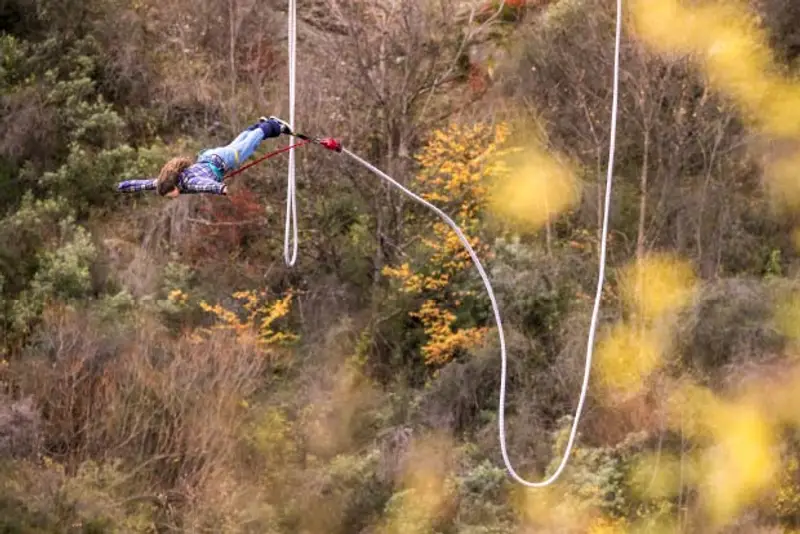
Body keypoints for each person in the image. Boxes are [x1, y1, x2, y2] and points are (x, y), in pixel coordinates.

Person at [117, 116, 293, 197]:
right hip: (210, 156)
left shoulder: (188, 183)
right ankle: (259, 124)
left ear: (173, 188)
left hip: (223, 161)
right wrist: (124, 186)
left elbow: (204, 185)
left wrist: (220, 189)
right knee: (237, 145)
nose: (172, 197)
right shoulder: (167, 180)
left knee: (248, 147)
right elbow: (145, 184)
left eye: (170, 195)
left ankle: (272, 126)